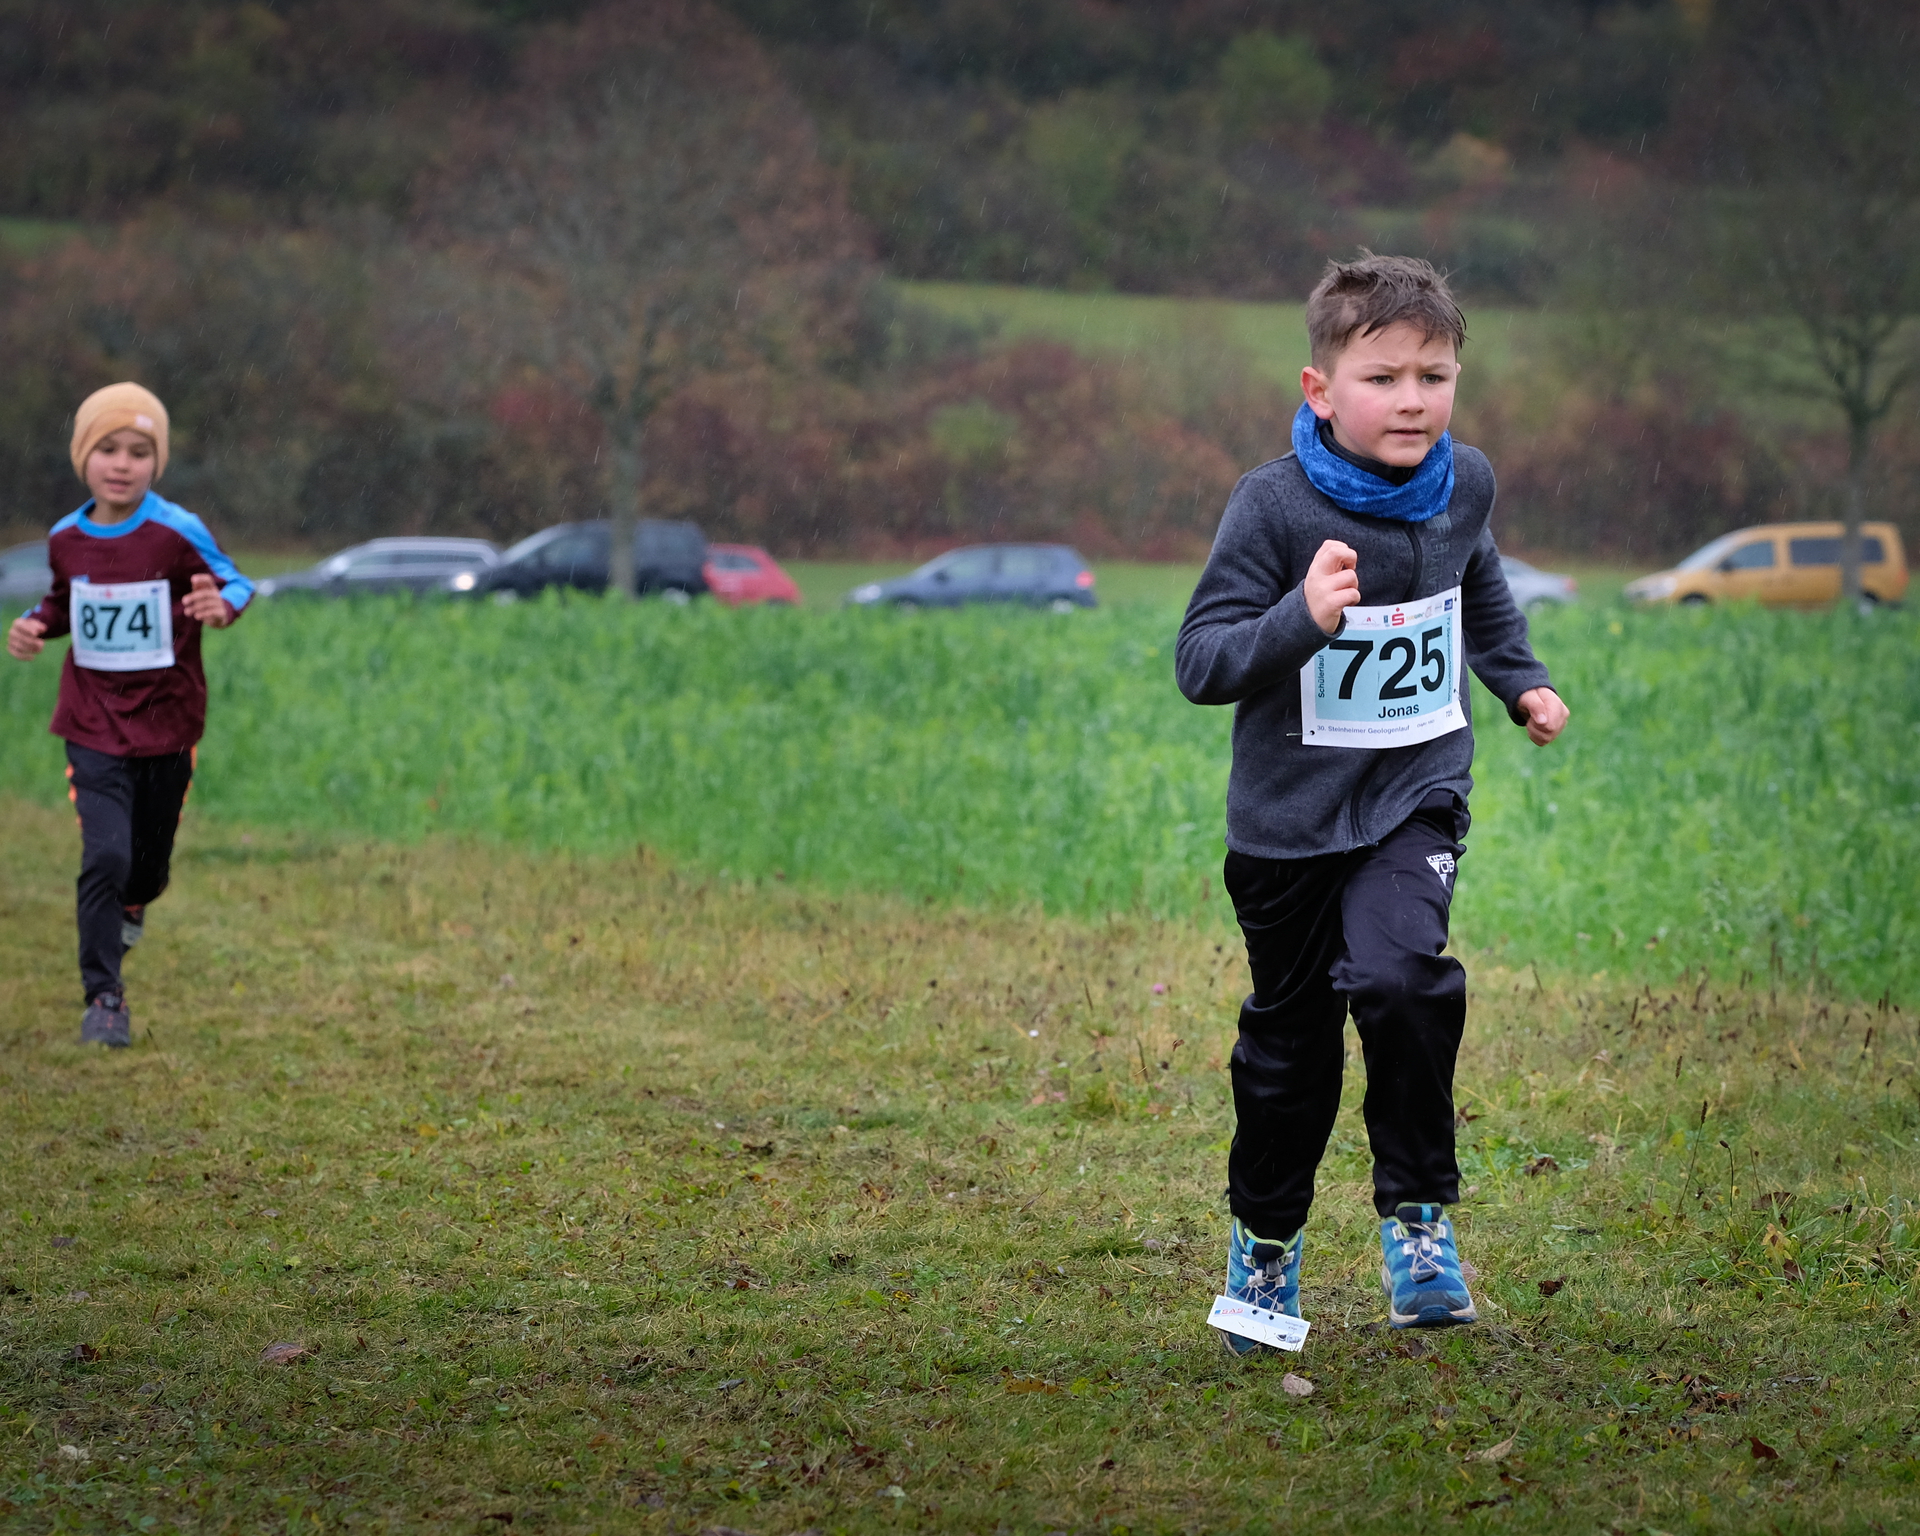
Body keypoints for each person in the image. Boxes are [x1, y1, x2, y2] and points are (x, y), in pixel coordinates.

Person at [1175, 254, 1568, 1345]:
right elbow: (1201, 661)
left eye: (1433, 377)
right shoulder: (1270, 505)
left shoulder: (1464, 482)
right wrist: (1301, 617)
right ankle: (1265, 1249)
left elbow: (1477, 579)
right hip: (1286, 828)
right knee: (1291, 1052)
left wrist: (1518, 678)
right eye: (1383, 378)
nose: (1412, 401)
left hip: (1415, 793)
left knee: (1402, 980)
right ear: (1320, 390)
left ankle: (1419, 1219)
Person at [6, 383, 254, 1048]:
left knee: (147, 867)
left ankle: (138, 901)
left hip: (168, 723)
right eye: (108, 449)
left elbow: (236, 581)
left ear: (156, 463)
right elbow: (63, 602)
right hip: (91, 722)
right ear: (82, 457)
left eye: (139, 452)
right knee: (106, 855)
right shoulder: (65, 537)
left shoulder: (178, 530)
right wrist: (34, 625)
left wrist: (222, 607)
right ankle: (104, 997)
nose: (122, 464)